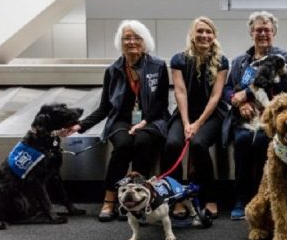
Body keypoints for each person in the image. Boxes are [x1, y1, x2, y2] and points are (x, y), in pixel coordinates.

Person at [71, 20, 169, 222]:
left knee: (143, 142)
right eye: (127, 37)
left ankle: (138, 199)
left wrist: (144, 122)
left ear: (145, 41)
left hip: (152, 119)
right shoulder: (113, 70)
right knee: (123, 145)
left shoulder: (157, 66)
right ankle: (110, 198)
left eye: (137, 37)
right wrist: (80, 126)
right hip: (121, 120)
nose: (131, 41)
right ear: (120, 42)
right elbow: (105, 107)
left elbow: (161, 102)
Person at [224, 11, 287, 220]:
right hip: (244, 119)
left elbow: (285, 87)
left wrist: (246, 94)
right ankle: (241, 197)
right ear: (251, 33)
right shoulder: (239, 62)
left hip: (271, 116)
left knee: (263, 141)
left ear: (274, 33)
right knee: (243, 141)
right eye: (258, 30)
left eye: (267, 30)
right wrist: (239, 104)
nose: (263, 33)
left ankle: (264, 196)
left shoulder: (281, 57)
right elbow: (227, 90)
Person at [161, 17, 229, 219]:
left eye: (208, 32)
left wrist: (198, 124)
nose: (204, 35)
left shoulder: (222, 61)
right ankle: (176, 198)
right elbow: (180, 92)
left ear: (214, 36)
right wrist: (186, 123)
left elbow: (216, 96)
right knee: (172, 143)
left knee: (199, 144)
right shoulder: (178, 60)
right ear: (192, 34)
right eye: (200, 31)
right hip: (185, 113)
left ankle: (210, 197)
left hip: (211, 114)